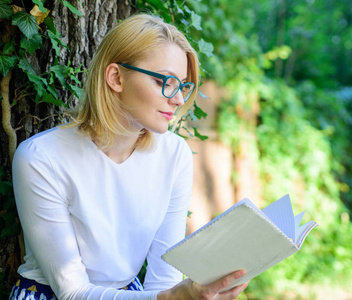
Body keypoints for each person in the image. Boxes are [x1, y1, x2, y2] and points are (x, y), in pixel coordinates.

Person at [9, 13, 249, 300]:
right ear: (116, 78)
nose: (178, 99)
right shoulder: (42, 158)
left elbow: (165, 278)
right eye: (167, 82)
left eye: (183, 86)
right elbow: (71, 291)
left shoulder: (174, 154)